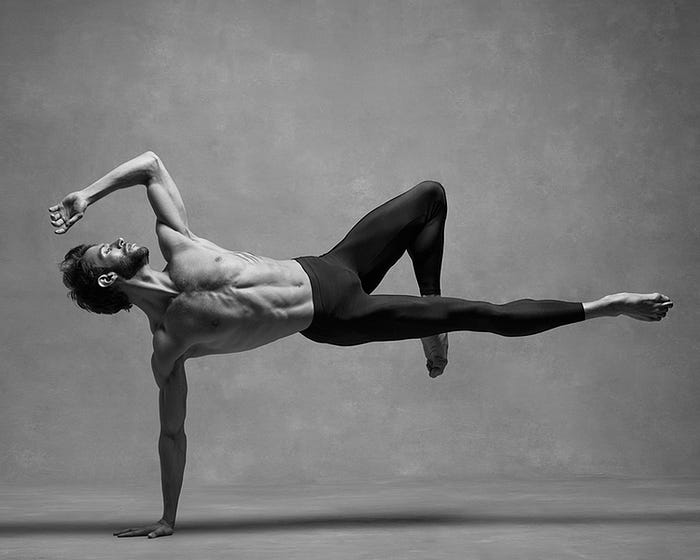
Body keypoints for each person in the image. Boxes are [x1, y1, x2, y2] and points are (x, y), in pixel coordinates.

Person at [48, 152, 673, 538]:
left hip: (330, 265)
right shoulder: (169, 342)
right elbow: (172, 434)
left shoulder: (178, 243)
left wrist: (86, 195)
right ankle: (607, 306)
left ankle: (431, 322)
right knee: (483, 314)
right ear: (107, 280)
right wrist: (168, 517)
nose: (119, 240)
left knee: (430, 195)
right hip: (337, 314)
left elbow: (150, 164)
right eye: (107, 249)